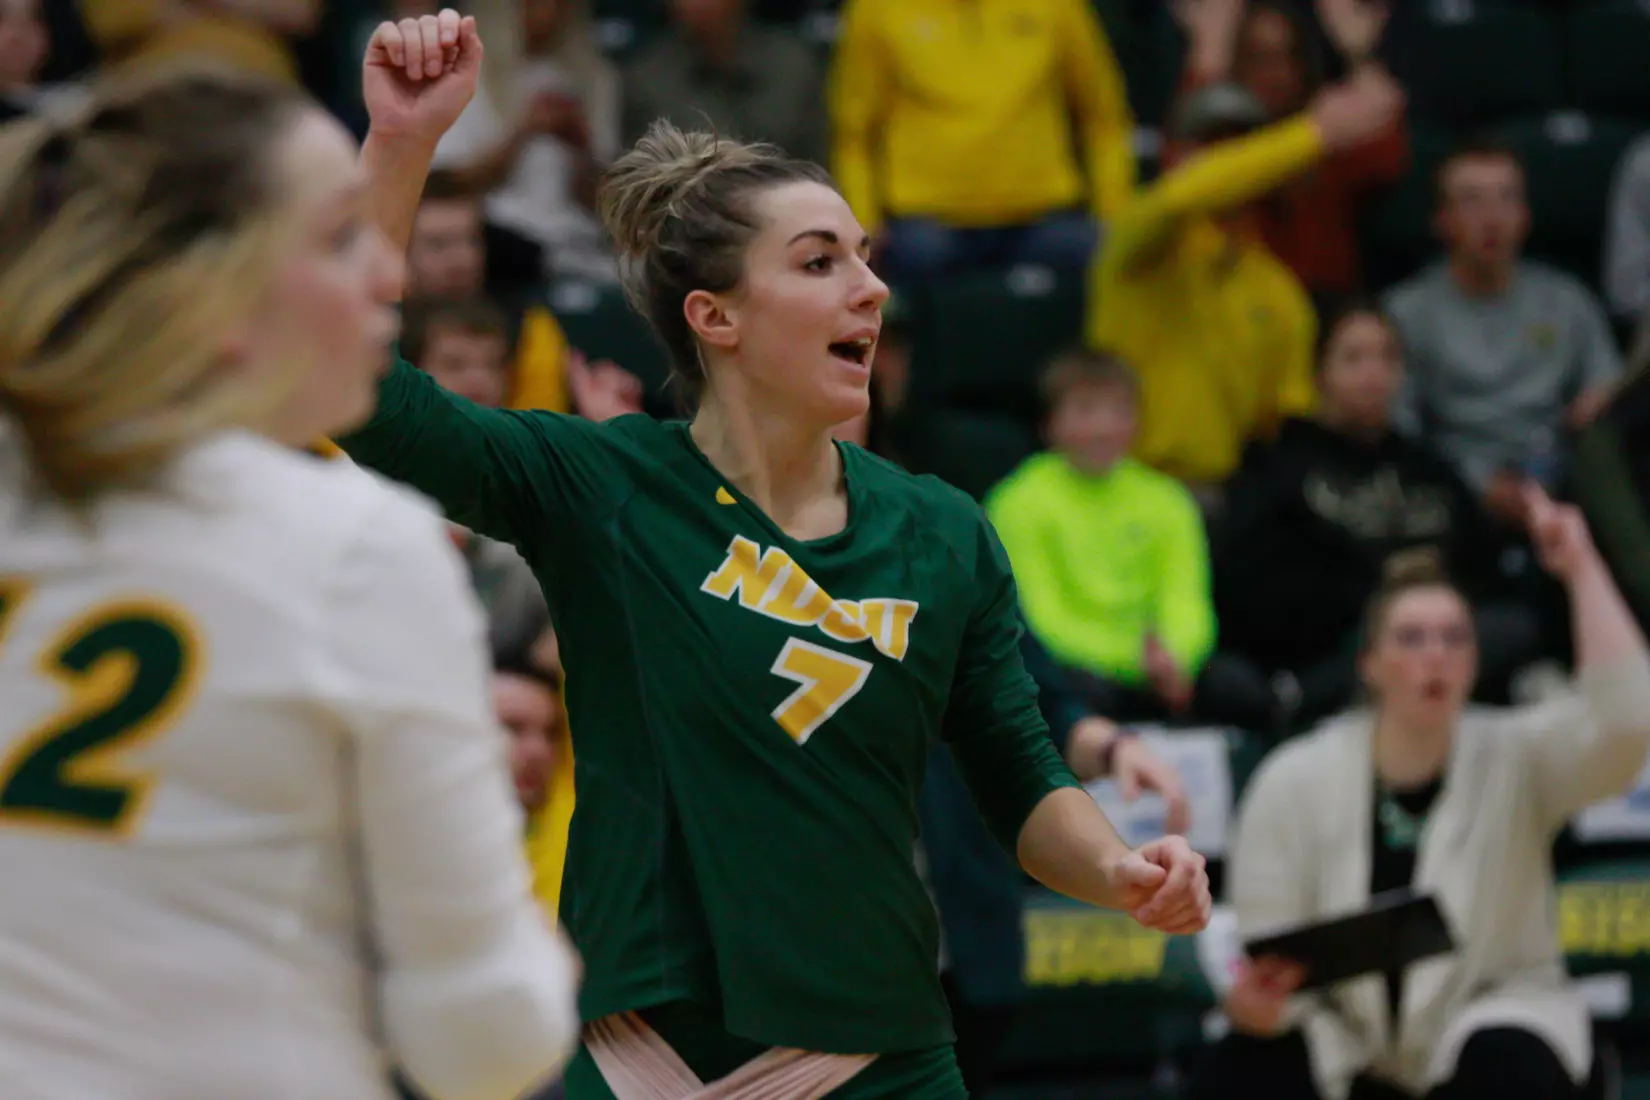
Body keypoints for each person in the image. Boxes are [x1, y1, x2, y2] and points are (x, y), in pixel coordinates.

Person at [338, 74, 1212, 1095]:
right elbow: (368, 395)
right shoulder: (606, 486)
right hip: (640, 1061)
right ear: (717, 317)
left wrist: (1116, 870)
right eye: (819, 261)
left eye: (867, 258)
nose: (871, 288)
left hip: (881, 1061)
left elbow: (1020, 772)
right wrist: (401, 142)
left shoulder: (941, 531)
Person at [0, 12, 580, 1100]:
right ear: (221, 298)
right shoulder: (353, 549)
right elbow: (484, 1042)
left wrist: (396, 149)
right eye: (338, 239)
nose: (383, 274)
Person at [1190, 487, 1650, 1100]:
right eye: (1411, 638)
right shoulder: (1293, 776)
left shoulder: (1520, 752)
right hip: (1344, 1034)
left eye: (1454, 638)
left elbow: (1629, 723)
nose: (1436, 656)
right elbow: (1269, 945)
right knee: (1238, 1065)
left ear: (1474, 661)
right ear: (1370, 663)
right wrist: (1260, 1001)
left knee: (1508, 1061)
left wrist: (1581, 566)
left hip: (1488, 1013)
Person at [1212, 299, 1540, 730]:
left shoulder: (1428, 468)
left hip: (1441, 640)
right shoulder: (1279, 465)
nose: (1374, 374)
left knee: (1513, 625)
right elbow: (1254, 589)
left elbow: (1482, 564)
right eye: (1354, 358)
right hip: (1336, 650)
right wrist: (1380, 587)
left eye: (1387, 358)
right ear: (1318, 373)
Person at [1086, 66, 1402, 492]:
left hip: (1223, 490)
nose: (1229, 161)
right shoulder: (1140, 240)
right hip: (1117, 482)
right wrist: (1314, 134)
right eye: (1210, 145)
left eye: (1241, 146)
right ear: (1176, 156)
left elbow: (1287, 421)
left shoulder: (1276, 289)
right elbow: (1181, 197)